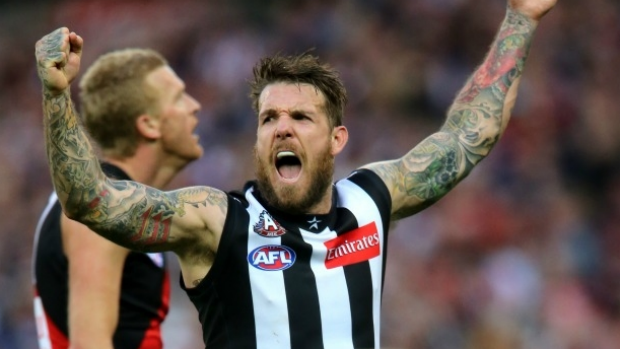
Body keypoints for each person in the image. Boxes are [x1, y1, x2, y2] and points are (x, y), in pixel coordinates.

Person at [34, 0, 556, 347]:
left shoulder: (370, 201)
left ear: (336, 140)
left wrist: (521, 17)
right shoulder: (217, 223)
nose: (282, 129)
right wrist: (58, 96)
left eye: (300, 117)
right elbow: (91, 201)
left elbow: (467, 137)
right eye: (269, 119)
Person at [32, 48, 202, 349]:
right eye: (179, 97)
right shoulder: (102, 213)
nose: (195, 106)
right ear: (148, 124)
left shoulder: (122, 204)